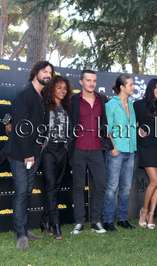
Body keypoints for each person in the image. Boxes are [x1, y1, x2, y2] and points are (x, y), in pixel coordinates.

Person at [4, 60, 54, 249]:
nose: (48, 75)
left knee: (25, 193)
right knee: (21, 192)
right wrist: (28, 154)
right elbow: (20, 127)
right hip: (21, 154)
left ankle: (21, 229)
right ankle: (21, 236)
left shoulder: (41, 96)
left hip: (34, 153)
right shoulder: (25, 94)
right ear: (35, 73)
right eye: (44, 71)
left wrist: (37, 151)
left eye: (50, 72)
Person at [69, 70, 110, 234]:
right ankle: (79, 221)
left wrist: (106, 143)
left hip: (96, 150)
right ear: (81, 82)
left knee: (101, 185)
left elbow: (105, 122)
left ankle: (95, 222)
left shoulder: (102, 99)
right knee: (78, 187)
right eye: (88, 80)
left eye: (94, 80)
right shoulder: (72, 100)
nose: (91, 83)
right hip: (78, 148)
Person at [102, 75, 137, 232]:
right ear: (122, 87)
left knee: (126, 187)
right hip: (116, 151)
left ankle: (123, 219)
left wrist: (139, 132)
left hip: (130, 151)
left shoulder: (131, 103)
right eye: (130, 84)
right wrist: (113, 149)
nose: (133, 86)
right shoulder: (111, 105)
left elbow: (132, 125)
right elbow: (106, 128)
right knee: (111, 187)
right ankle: (108, 221)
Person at [134, 79, 157, 229]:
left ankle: (151, 216)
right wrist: (138, 131)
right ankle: (144, 211)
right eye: (156, 87)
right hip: (146, 146)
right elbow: (133, 124)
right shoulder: (138, 105)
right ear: (150, 88)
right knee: (154, 181)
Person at [40, 76, 73, 239]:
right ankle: (56, 225)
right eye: (59, 87)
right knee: (51, 186)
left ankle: (45, 220)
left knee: (56, 187)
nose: (62, 91)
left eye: (65, 88)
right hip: (48, 150)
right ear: (52, 88)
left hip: (63, 150)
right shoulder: (45, 105)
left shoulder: (67, 108)